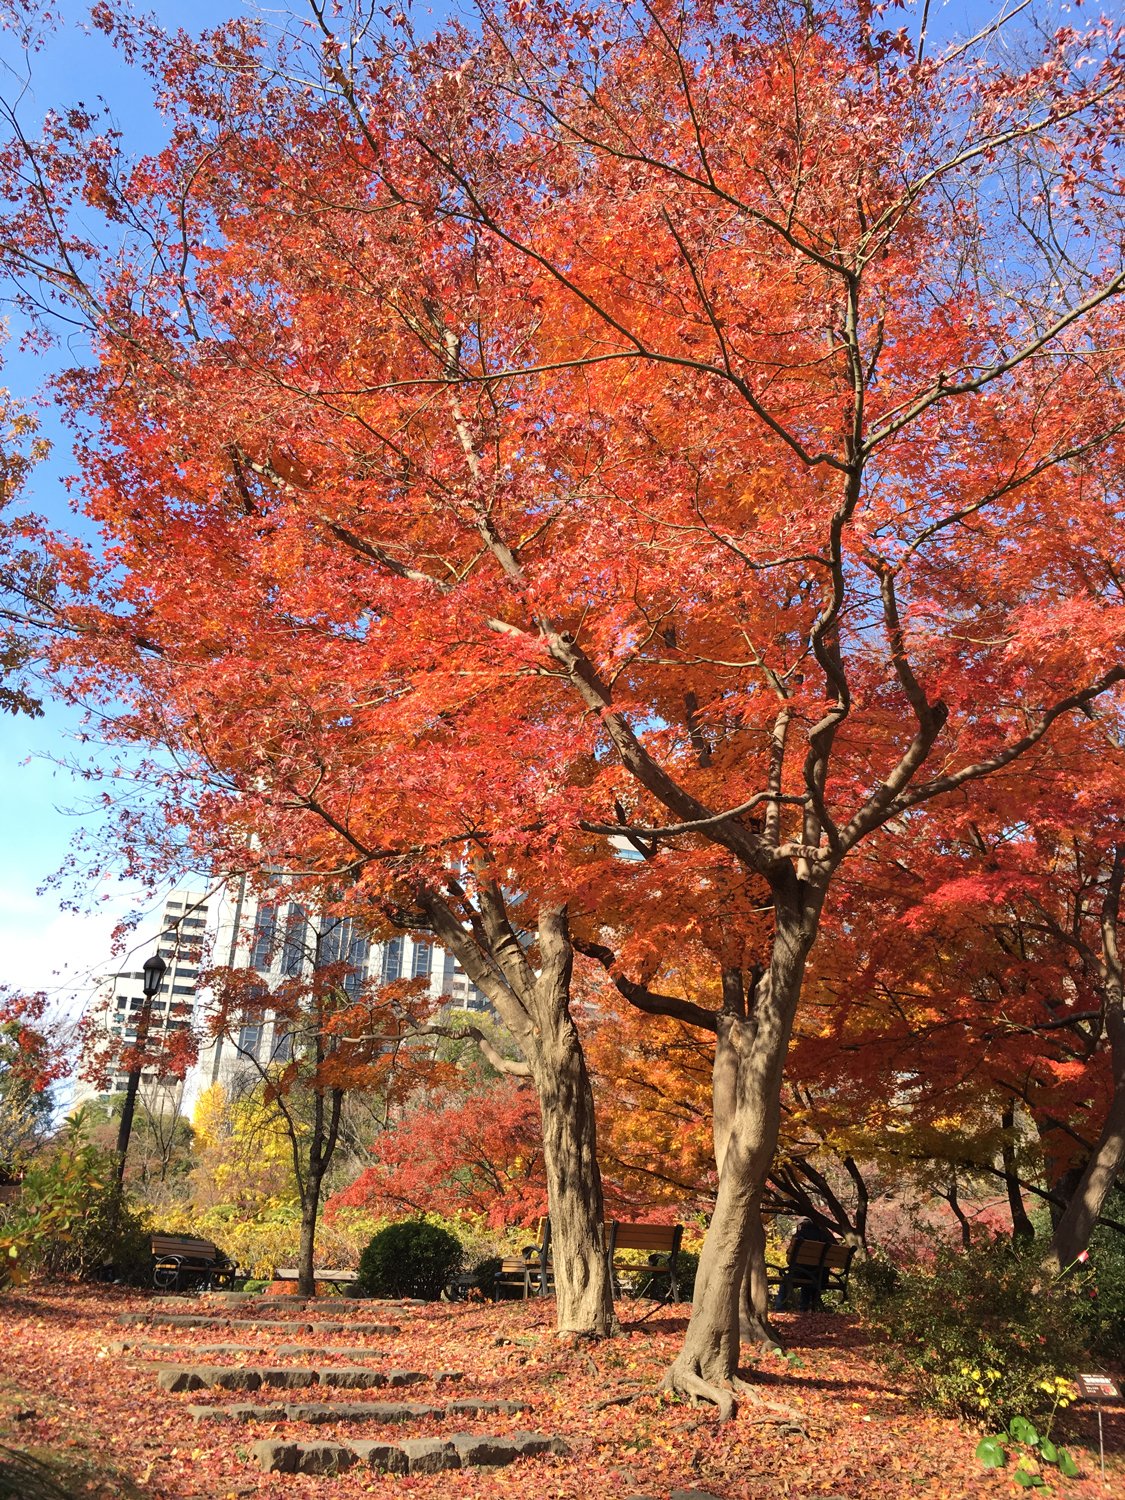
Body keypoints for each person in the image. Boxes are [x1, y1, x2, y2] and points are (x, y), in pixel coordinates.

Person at [773, 1217, 834, 1312]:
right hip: (819, 1275)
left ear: (801, 1226)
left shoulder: (799, 1236)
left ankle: (779, 1306)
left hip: (801, 1274)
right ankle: (804, 1307)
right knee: (809, 1280)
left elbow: (789, 1260)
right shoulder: (824, 1237)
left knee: (786, 1281)